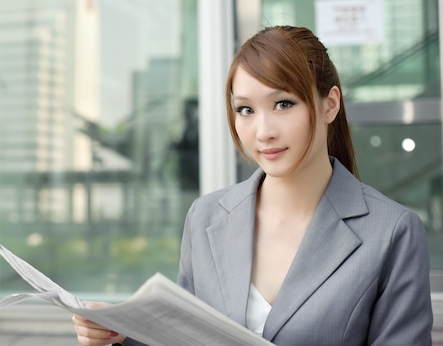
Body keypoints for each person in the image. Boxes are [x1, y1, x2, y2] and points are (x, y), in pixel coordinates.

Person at [72, 26, 433, 345]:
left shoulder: (392, 232)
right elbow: (181, 336)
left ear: (330, 105)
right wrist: (120, 335)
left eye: (283, 103)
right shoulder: (206, 216)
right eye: (245, 109)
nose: (263, 132)